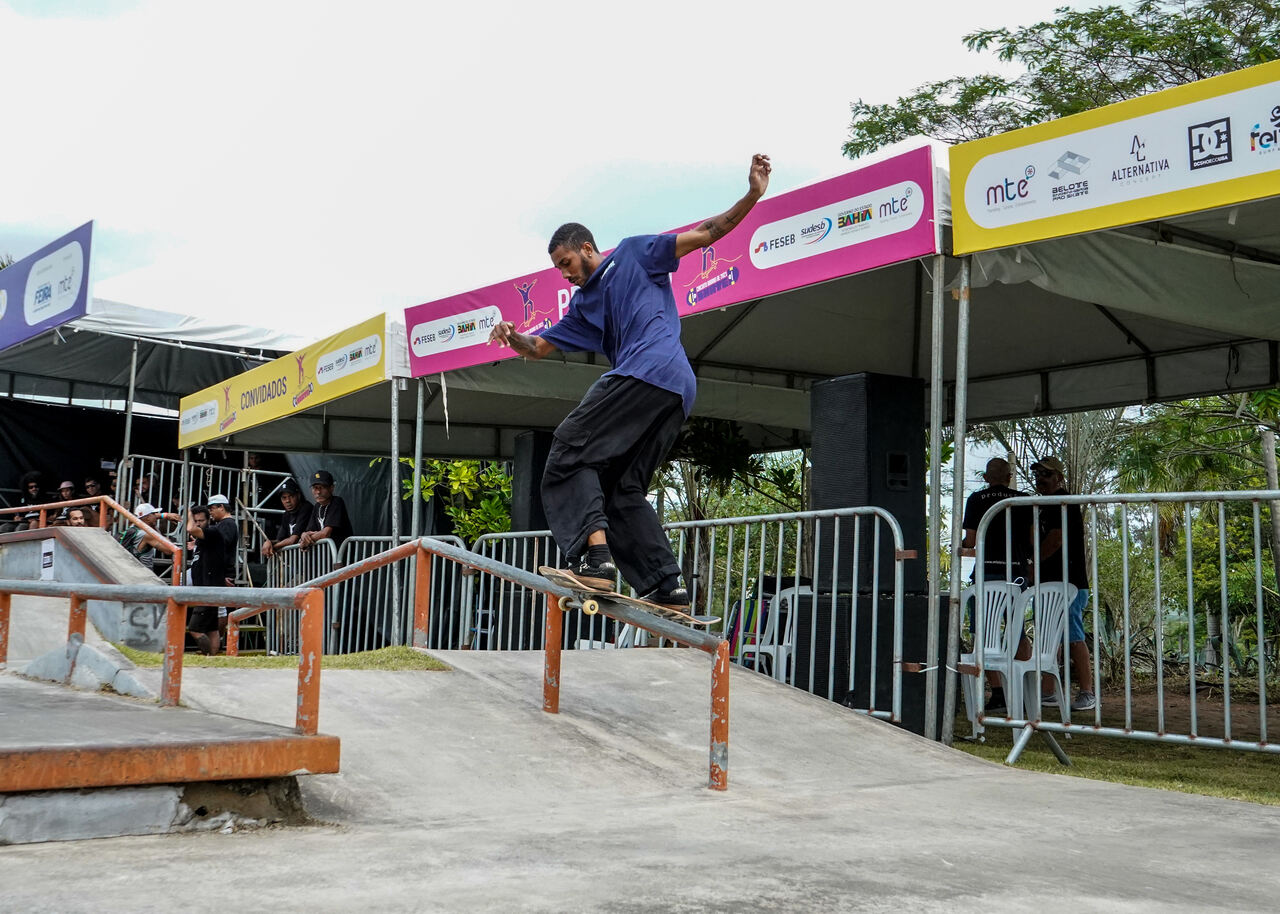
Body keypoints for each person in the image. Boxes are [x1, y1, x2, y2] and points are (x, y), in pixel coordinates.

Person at [487, 154, 772, 607]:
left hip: (646, 371)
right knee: (621, 487)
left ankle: (595, 562)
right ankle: (668, 584)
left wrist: (752, 194)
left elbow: (708, 233)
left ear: (586, 247)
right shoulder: (582, 307)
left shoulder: (635, 252)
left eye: (567, 262)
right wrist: (511, 335)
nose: (565, 273)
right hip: (677, 391)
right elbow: (538, 348)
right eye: (559, 268)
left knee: (568, 451)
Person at [960, 457, 1034, 713]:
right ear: (1009, 476)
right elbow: (1032, 538)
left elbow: (970, 541)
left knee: (983, 633)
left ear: (985, 477)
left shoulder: (976, 499)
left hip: (987, 574)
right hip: (1016, 573)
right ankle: (1023, 693)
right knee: (1019, 632)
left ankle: (999, 694)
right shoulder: (1022, 499)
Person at [1030, 455, 1096, 712]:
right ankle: (1048, 691)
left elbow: (1055, 540)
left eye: (1046, 474)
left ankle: (1087, 692)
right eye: (1037, 474)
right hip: (1050, 583)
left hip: (1070, 583)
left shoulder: (1064, 503)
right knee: (1050, 638)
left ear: (1059, 477)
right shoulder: (1043, 505)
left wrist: (1033, 563)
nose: (1040, 479)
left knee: (1073, 636)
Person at [185, 505, 230, 655]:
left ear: (208, 520)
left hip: (208, 589)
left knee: (195, 629)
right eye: (195, 520)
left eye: (201, 520)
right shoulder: (202, 540)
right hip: (206, 588)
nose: (198, 523)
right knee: (212, 629)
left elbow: (190, 529)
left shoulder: (212, 531)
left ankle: (207, 654)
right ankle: (214, 655)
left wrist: (189, 514)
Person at [300, 470, 353, 551]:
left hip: (341, 557)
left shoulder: (337, 502)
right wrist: (304, 535)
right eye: (315, 488)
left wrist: (305, 541)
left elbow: (325, 533)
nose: (318, 492)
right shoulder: (317, 507)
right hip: (325, 557)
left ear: (331, 488)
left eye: (322, 487)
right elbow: (309, 531)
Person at [119, 503, 179, 572]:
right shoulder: (147, 535)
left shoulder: (133, 528)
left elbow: (143, 518)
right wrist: (155, 527)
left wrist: (163, 516)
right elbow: (169, 550)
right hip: (143, 575)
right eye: (154, 514)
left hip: (130, 571)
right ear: (147, 518)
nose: (156, 516)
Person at [261, 478, 313, 557]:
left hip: (310, 557)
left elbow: (293, 539)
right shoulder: (286, 514)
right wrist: (268, 542)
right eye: (284, 498)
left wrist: (273, 547)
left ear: (298, 495)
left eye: (291, 496)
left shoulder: (306, 508)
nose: (287, 501)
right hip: (296, 559)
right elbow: (280, 540)